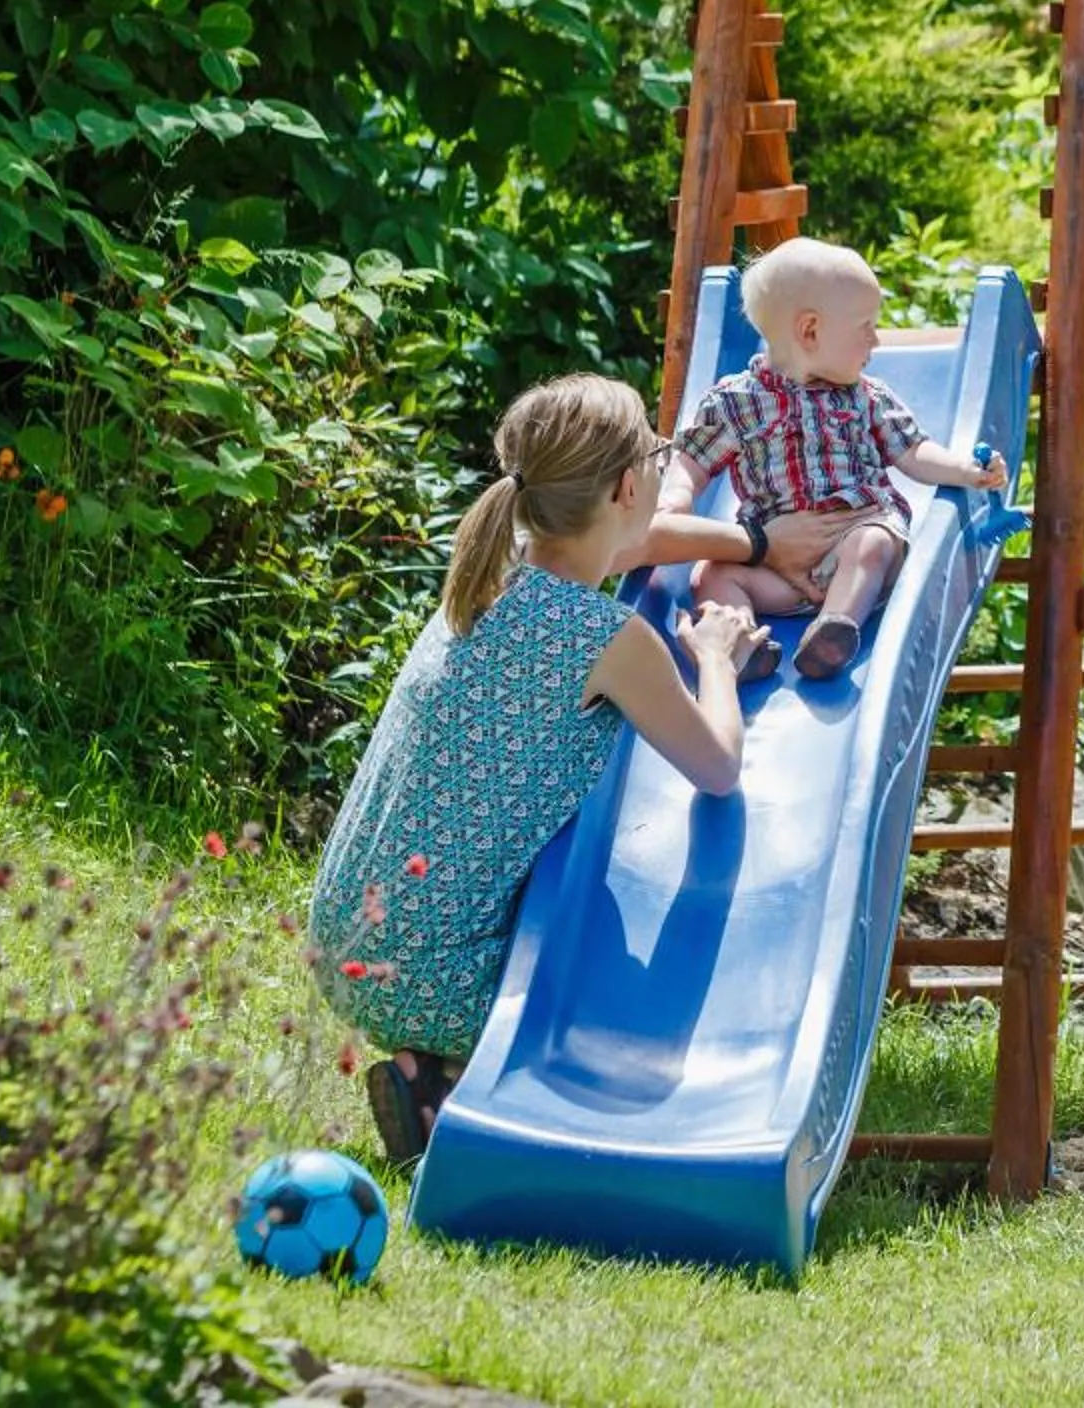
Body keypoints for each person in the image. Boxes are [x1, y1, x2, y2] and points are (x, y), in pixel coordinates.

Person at [310, 372, 840, 1168]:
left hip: (344, 942)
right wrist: (716, 657)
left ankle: (432, 1081)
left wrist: (755, 543)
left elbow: (640, 542)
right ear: (631, 485)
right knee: (612, 998)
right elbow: (718, 766)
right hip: (430, 975)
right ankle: (461, 1079)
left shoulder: (493, 571)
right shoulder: (608, 640)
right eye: (660, 456)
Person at [663, 237, 1008, 682]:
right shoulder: (734, 403)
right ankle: (742, 645)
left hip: (853, 547)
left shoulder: (866, 398)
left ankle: (834, 629)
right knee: (710, 575)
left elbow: (913, 451)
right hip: (776, 566)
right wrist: (676, 495)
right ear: (810, 332)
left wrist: (965, 470)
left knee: (874, 543)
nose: (876, 339)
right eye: (865, 326)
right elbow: (690, 459)